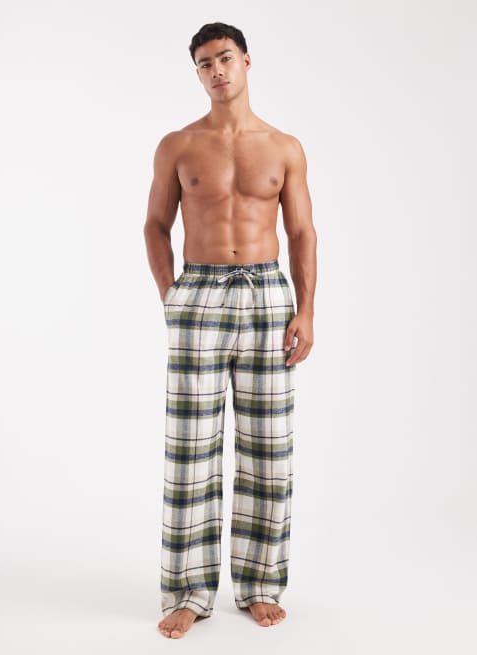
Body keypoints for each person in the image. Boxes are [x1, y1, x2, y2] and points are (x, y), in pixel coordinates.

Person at [144, 22, 317, 639]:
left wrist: (306, 310)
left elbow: (301, 232)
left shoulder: (284, 147)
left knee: (269, 448)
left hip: (268, 294)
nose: (216, 70)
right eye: (204, 63)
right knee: (190, 450)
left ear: (246, 61)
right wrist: (173, 296)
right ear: (197, 73)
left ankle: (260, 584)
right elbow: (155, 224)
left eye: (224, 58)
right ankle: (189, 592)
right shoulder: (178, 145)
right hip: (199, 292)